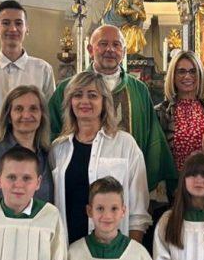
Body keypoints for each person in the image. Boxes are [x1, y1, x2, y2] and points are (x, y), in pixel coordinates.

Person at [49, 25, 176, 197]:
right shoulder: (67, 89)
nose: (110, 49)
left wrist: (152, 184)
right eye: (103, 44)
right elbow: (51, 135)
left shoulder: (139, 89)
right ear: (90, 49)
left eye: (116, 45)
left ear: (123, 52)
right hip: (76, 182)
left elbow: (152, 137)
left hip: (128, 186)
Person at [51, 71, 151, 243]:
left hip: (114, 252)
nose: (84, 101)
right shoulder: (58, 149)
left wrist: (131, 253)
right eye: (77, 95)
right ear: (70, 102)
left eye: (92, 95)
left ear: (105, 102)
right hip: (68, 249)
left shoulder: (125, 144)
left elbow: (138, 212)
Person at [0, 85, 53, 209]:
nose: (26, 115)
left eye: (33, 109)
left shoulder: (48, 154)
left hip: (41, 227)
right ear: (8, 116)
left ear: (42, 115)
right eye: (19, 109)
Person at [0, 0, 56, 125]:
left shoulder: (43, 69)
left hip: (31, 142)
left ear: (26, 29)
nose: (13, 29)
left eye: (18, 23)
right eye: (6, 23)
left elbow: (49, 114)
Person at [154, 51, 204, 172]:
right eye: (181, 71)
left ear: (200, 74)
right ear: (172, 75)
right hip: (173, 185)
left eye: (193, 71)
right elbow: (156, 156)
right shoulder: (160, 113)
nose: (187, 76)